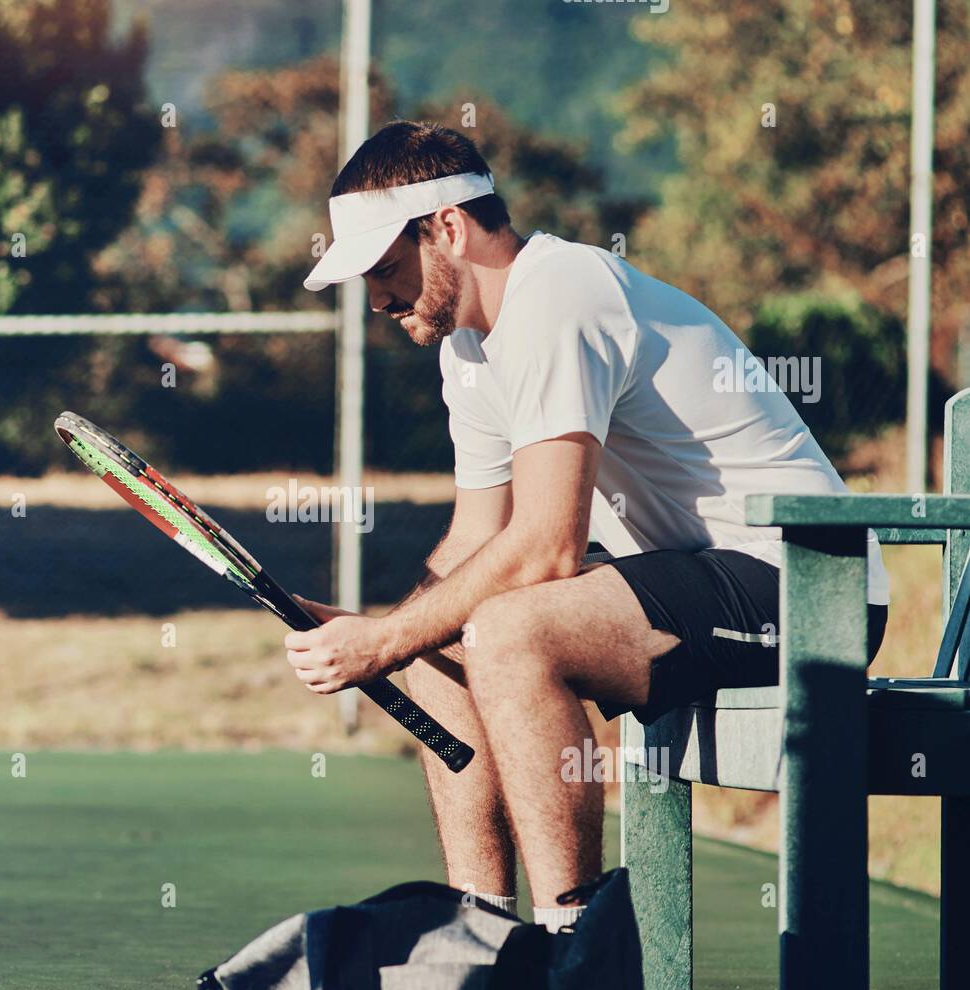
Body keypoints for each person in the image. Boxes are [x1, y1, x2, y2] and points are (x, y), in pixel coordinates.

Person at [287, 120, 888, 933]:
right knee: (437, 643)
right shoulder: (466, 349)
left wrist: (382, 643)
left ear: (449, 229)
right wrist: (389, 632)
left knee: (507, 632)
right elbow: (475, 540)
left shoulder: (560, 294)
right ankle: (482, 936)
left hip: (813, 586)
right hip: (696, 576)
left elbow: (544, 546)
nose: (381, 300)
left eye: (387, 269)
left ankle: (576, 952)